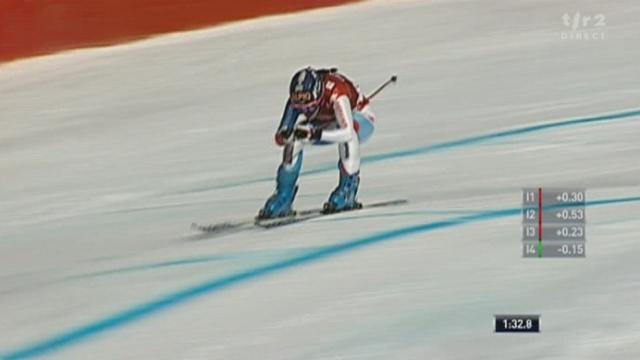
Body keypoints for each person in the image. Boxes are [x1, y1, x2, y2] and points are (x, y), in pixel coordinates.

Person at [257, 67, 376, 219]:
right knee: (295, 139)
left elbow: (347, 132)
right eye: (298, 99)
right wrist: (288, 135)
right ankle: (283, 196)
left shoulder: (336, 94)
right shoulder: (295, 102)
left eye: (306, 98)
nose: (302, 104)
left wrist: (316, 134)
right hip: (326, 122)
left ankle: (347, 190)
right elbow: (281, 136)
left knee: (350, 133)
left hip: (359, 119)